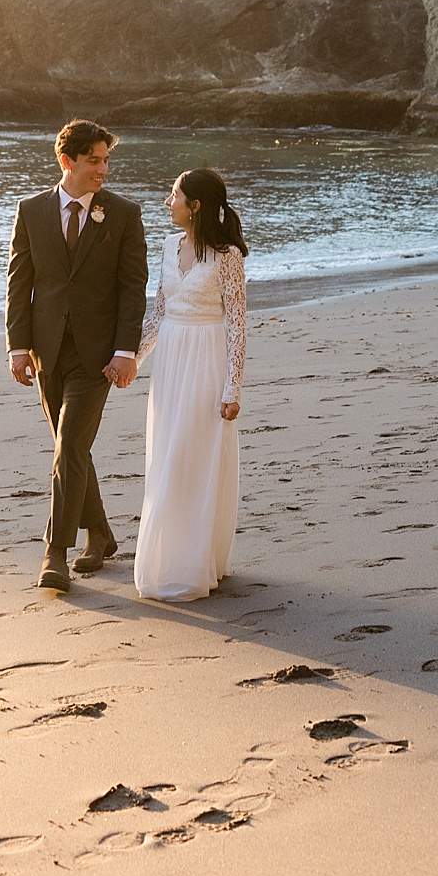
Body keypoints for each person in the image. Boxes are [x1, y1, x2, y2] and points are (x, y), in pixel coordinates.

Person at [5, 119, 147, 594]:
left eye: (106, 160)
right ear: (67, 161)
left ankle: (55, 552)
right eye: (94, 161)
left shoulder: (124, 214)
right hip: (46, 353)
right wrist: (18, 346)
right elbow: (19, 283)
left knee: (68, 447)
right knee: (74, 450)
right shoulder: (30, 211)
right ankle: (101, 533)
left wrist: (127, 352)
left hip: (98, 357)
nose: (103, 169)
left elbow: (133, 289)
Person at [132, 167, 248, 603]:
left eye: (174, 195)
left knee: (194, 459)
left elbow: (236, 325)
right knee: (166, 457)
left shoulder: (228, 257)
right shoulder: (167, 246)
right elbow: (160, 312)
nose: (168, 202)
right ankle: (172, 557)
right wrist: (133, 360)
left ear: (195, 206)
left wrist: (232, 387)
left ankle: (195, 562)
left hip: (206, 360)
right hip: (171, 362)